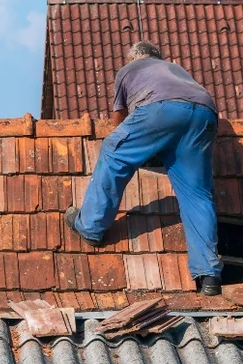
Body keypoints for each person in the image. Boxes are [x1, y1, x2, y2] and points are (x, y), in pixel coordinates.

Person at [65, 41, 223, 295]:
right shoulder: (175, 68)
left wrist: (138, 146)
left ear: (135, 57)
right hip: (205, 114)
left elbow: (120, 118)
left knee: (113, 150)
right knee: (197, 195)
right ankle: (209, 276)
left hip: (162, 109)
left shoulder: (130, 69)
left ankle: (91, 226)